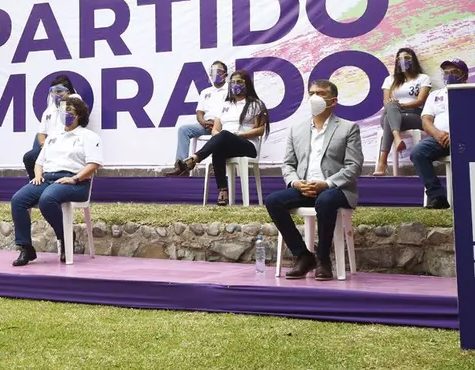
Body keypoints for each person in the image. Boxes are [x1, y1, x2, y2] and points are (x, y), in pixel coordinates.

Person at [265, 79, 362, 281]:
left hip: (336, 190)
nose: (314, 98)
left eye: (320, 93)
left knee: (325, 200)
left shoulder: (348, 128)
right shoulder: (296, 130)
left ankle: (323, 258)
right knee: (273, 200)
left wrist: (326, 184)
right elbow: (288, 165)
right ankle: (303, 255)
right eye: (311, 93)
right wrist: (296, 183)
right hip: (305, 187)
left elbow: (354, 166)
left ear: (333, 101)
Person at [10, 94, 103, 266]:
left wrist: (74, 179)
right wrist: (38, 175)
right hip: (47, 179)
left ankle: (65, 236)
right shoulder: (53, 136)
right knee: (18, 200)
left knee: (47, 199)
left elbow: (93, 164)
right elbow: (39, 162)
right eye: (63, 110)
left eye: (70, 111)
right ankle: (26, 248)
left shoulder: (88, 136)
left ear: (79, 115)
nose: (65, 114)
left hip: (75, 182)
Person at [164, 70, 269, 206]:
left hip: (247, 145)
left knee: (224, 135)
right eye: (233, 82)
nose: (235, 85)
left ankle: (194, 159)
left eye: (239, 82)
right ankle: (223, 191)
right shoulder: (225, 105)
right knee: (218, 148)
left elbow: (260, 130)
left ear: (247, 84)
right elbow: (215, 129)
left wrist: (238, 135)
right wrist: (220, 138)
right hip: (228, 143)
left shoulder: (256, 104)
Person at [410, 58, 467, 210]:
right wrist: (437, 134)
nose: (449, 76)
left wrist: (456, 134)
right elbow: (426, 120)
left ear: (465, 76)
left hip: (467, 139)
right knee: (418, 152)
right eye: (446, 72)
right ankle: (438, 197)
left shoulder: (473, 93)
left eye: (454, 72)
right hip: (440, 139)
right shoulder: (435, 95)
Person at [373, 48, 431, 176]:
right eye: (399, 59)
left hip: (414, 114)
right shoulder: (390, 79)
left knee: (390, 116)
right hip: (393, 112)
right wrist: (395, 106)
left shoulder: (423, 78)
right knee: (391, 109)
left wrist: (401, 105)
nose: (403, 61)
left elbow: (420, 100)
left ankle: (382, 163)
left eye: (407, 58)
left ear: (413, 60)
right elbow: (386, 102)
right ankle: (397, 138)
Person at [169, 61, 229, 174]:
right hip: (206, 125)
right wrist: (204, 123)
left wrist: (215, 124)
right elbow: (199, 113)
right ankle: (182, 167)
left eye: (219, 71)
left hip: (223, 125)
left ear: (225, 74)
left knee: (223, 133)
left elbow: (231, 111)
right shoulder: (205, 92)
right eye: (213, 72)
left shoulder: (230, 90)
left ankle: (218, 166)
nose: (216, 74)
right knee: (183, 130)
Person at [23, 75, 76, 180]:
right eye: (53, 91)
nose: (56, 94)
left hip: (66, 145)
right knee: (29, 157)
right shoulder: (48, 111)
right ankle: (36, 182)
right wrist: (44, 144)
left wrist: (65, 101)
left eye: (59, 91)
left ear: (68, 92)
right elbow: (41, 133)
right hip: (49, 146)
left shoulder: (73, 106)